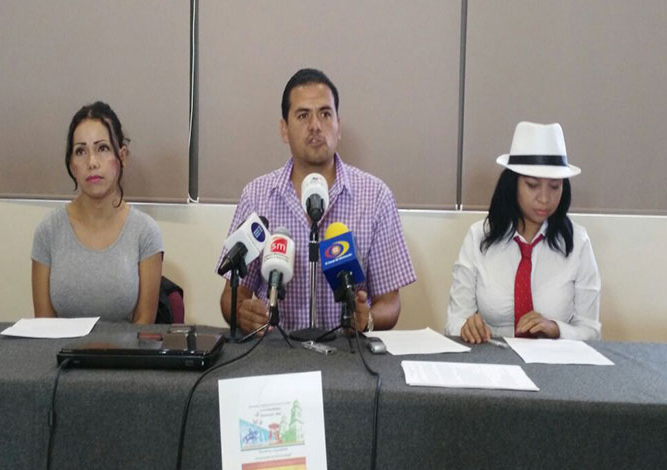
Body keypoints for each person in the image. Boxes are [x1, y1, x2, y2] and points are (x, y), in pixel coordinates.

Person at [217, 68, 416, 335]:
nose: (315, 126)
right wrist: (243, 314)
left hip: (348, 351)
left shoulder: (376, 197)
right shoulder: (257, 196)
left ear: (338, 126)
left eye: (325, 114)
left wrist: (367, 318)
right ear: (284, 129)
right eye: (303, 115)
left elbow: (390, 303)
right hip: (275, 350)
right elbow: (232, 295)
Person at [446, 121, 601, 343]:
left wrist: (557, 329)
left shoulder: (578, 242)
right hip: (493, 356)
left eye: (555, 186)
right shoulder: (478, 236)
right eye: (532, 185)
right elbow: (454, 320)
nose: (545, 198)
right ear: (513, 184)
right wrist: (466, 327)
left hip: (553, 359)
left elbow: (592, 332)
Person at [31, 101, 163, 323]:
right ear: (71, 164)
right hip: (62, 347)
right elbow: (44, 325)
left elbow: (144, 327)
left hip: (127, 347)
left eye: (102, 148)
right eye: (80, 151)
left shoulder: (145, 232)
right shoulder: (48, 231)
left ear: (122, 156)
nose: (92, 162)